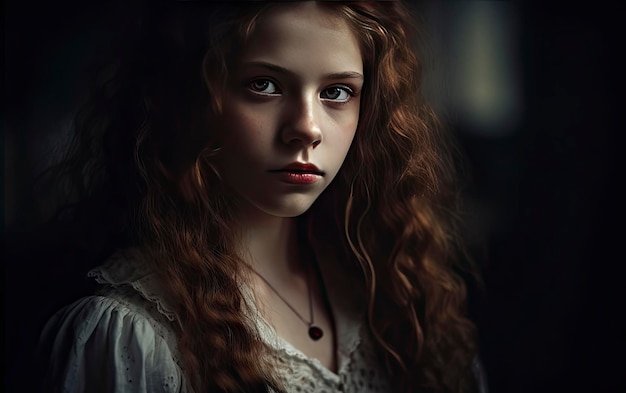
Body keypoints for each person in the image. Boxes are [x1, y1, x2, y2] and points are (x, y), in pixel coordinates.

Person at [36, 0, 487, 392]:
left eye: (336, 92)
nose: (306, 128)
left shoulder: (397, 296)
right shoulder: (134, 335)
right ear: (193, 98)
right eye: (265, 85)